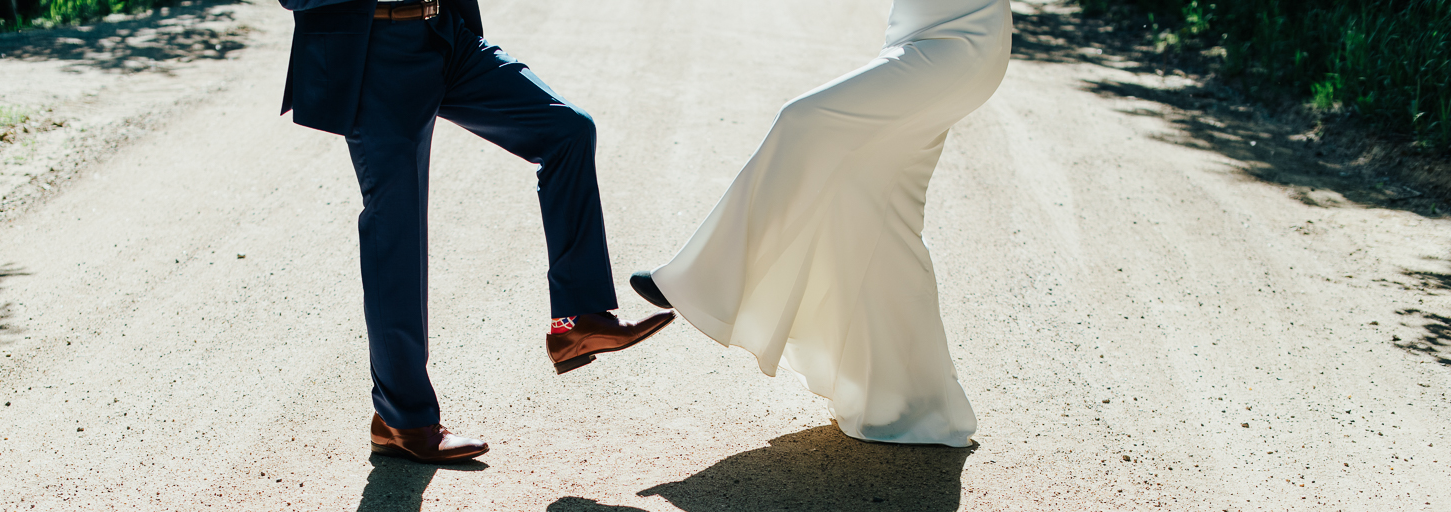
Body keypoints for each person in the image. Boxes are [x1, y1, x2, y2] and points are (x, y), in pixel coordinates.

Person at [281, 0, 675, 463]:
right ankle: (400, 419)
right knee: (397, 229)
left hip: (445, 34)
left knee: (567, 129)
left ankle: (578, 321)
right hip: (373, 50)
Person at [632, 0, 1012, 447]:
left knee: (804, 120)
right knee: (878, 211)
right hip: (925, 40)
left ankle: (705, 279)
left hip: (957, 48)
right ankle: (906, 402)